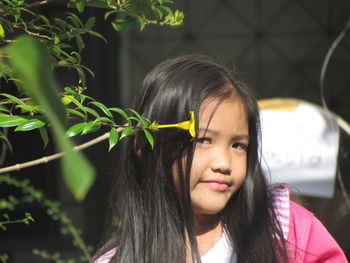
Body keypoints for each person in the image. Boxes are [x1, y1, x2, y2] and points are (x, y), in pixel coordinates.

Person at [92, 55, 347, 263]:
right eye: (203, 140)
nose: (224, 163)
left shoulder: (287, 229)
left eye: (238, 145)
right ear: (144, 146)